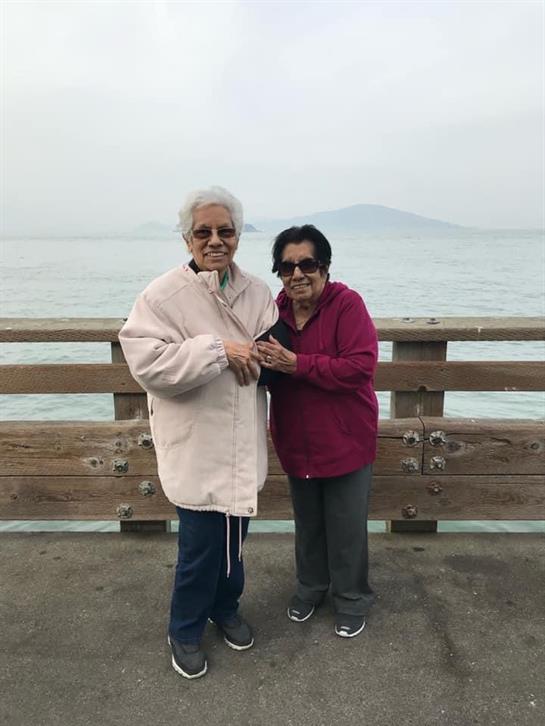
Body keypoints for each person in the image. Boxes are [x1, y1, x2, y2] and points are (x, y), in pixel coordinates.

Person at [119, 186, 278, 679]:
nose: (215, 241)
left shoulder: (256, 291)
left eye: (225, 231)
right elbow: (149, 365)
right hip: (196, 442)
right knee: (199, 548)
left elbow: (273, 350)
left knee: (235, 540)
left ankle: (225, 608)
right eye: (204, 232)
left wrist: (263, 357)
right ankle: (184, 629)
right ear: (187, 239)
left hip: (242, 438)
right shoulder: (162, 295)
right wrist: (217, 350)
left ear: (237, 237)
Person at [257, 224, 378, 638]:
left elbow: (360, 367)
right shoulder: (274, 312)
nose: (297, 274)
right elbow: (263, 370)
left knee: (346, 526)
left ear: (324, 266)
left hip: (345, 439)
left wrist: (299, 364)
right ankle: (311, 588)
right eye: (287, 266)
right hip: (296, 440)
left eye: (307, 264)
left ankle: (351, 598)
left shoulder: (348, 306)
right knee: (308, 523)